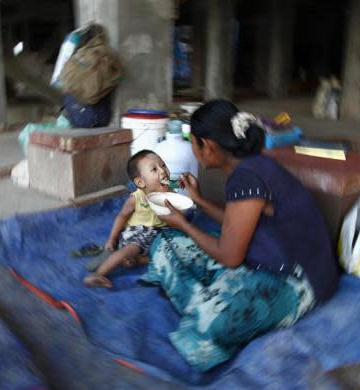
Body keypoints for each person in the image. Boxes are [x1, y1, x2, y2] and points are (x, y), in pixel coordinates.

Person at [141, 100, 340, 371]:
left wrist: (183, 224)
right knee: (165, 245)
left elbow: (230, 255)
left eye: (194, 143)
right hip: (276, 255)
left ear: (208, 146)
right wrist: (198, 201)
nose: (193, 150)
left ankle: (209, 300)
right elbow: (239, 224)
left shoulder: (246, 177)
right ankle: (214, 293)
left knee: (213, 323)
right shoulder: (252, 165)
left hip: (298, 283)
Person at [84, 150, 171, 288]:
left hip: (159, 233)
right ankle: (99, 274)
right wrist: (112, 239)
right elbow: (122, 216)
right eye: (154, 169)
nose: (163, 171)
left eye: (164, 165)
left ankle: (136, 260)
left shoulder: (170, 192)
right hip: (139, 232)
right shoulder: (136, 198)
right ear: (141, 182)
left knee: (170, 254)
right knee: (130, 249)